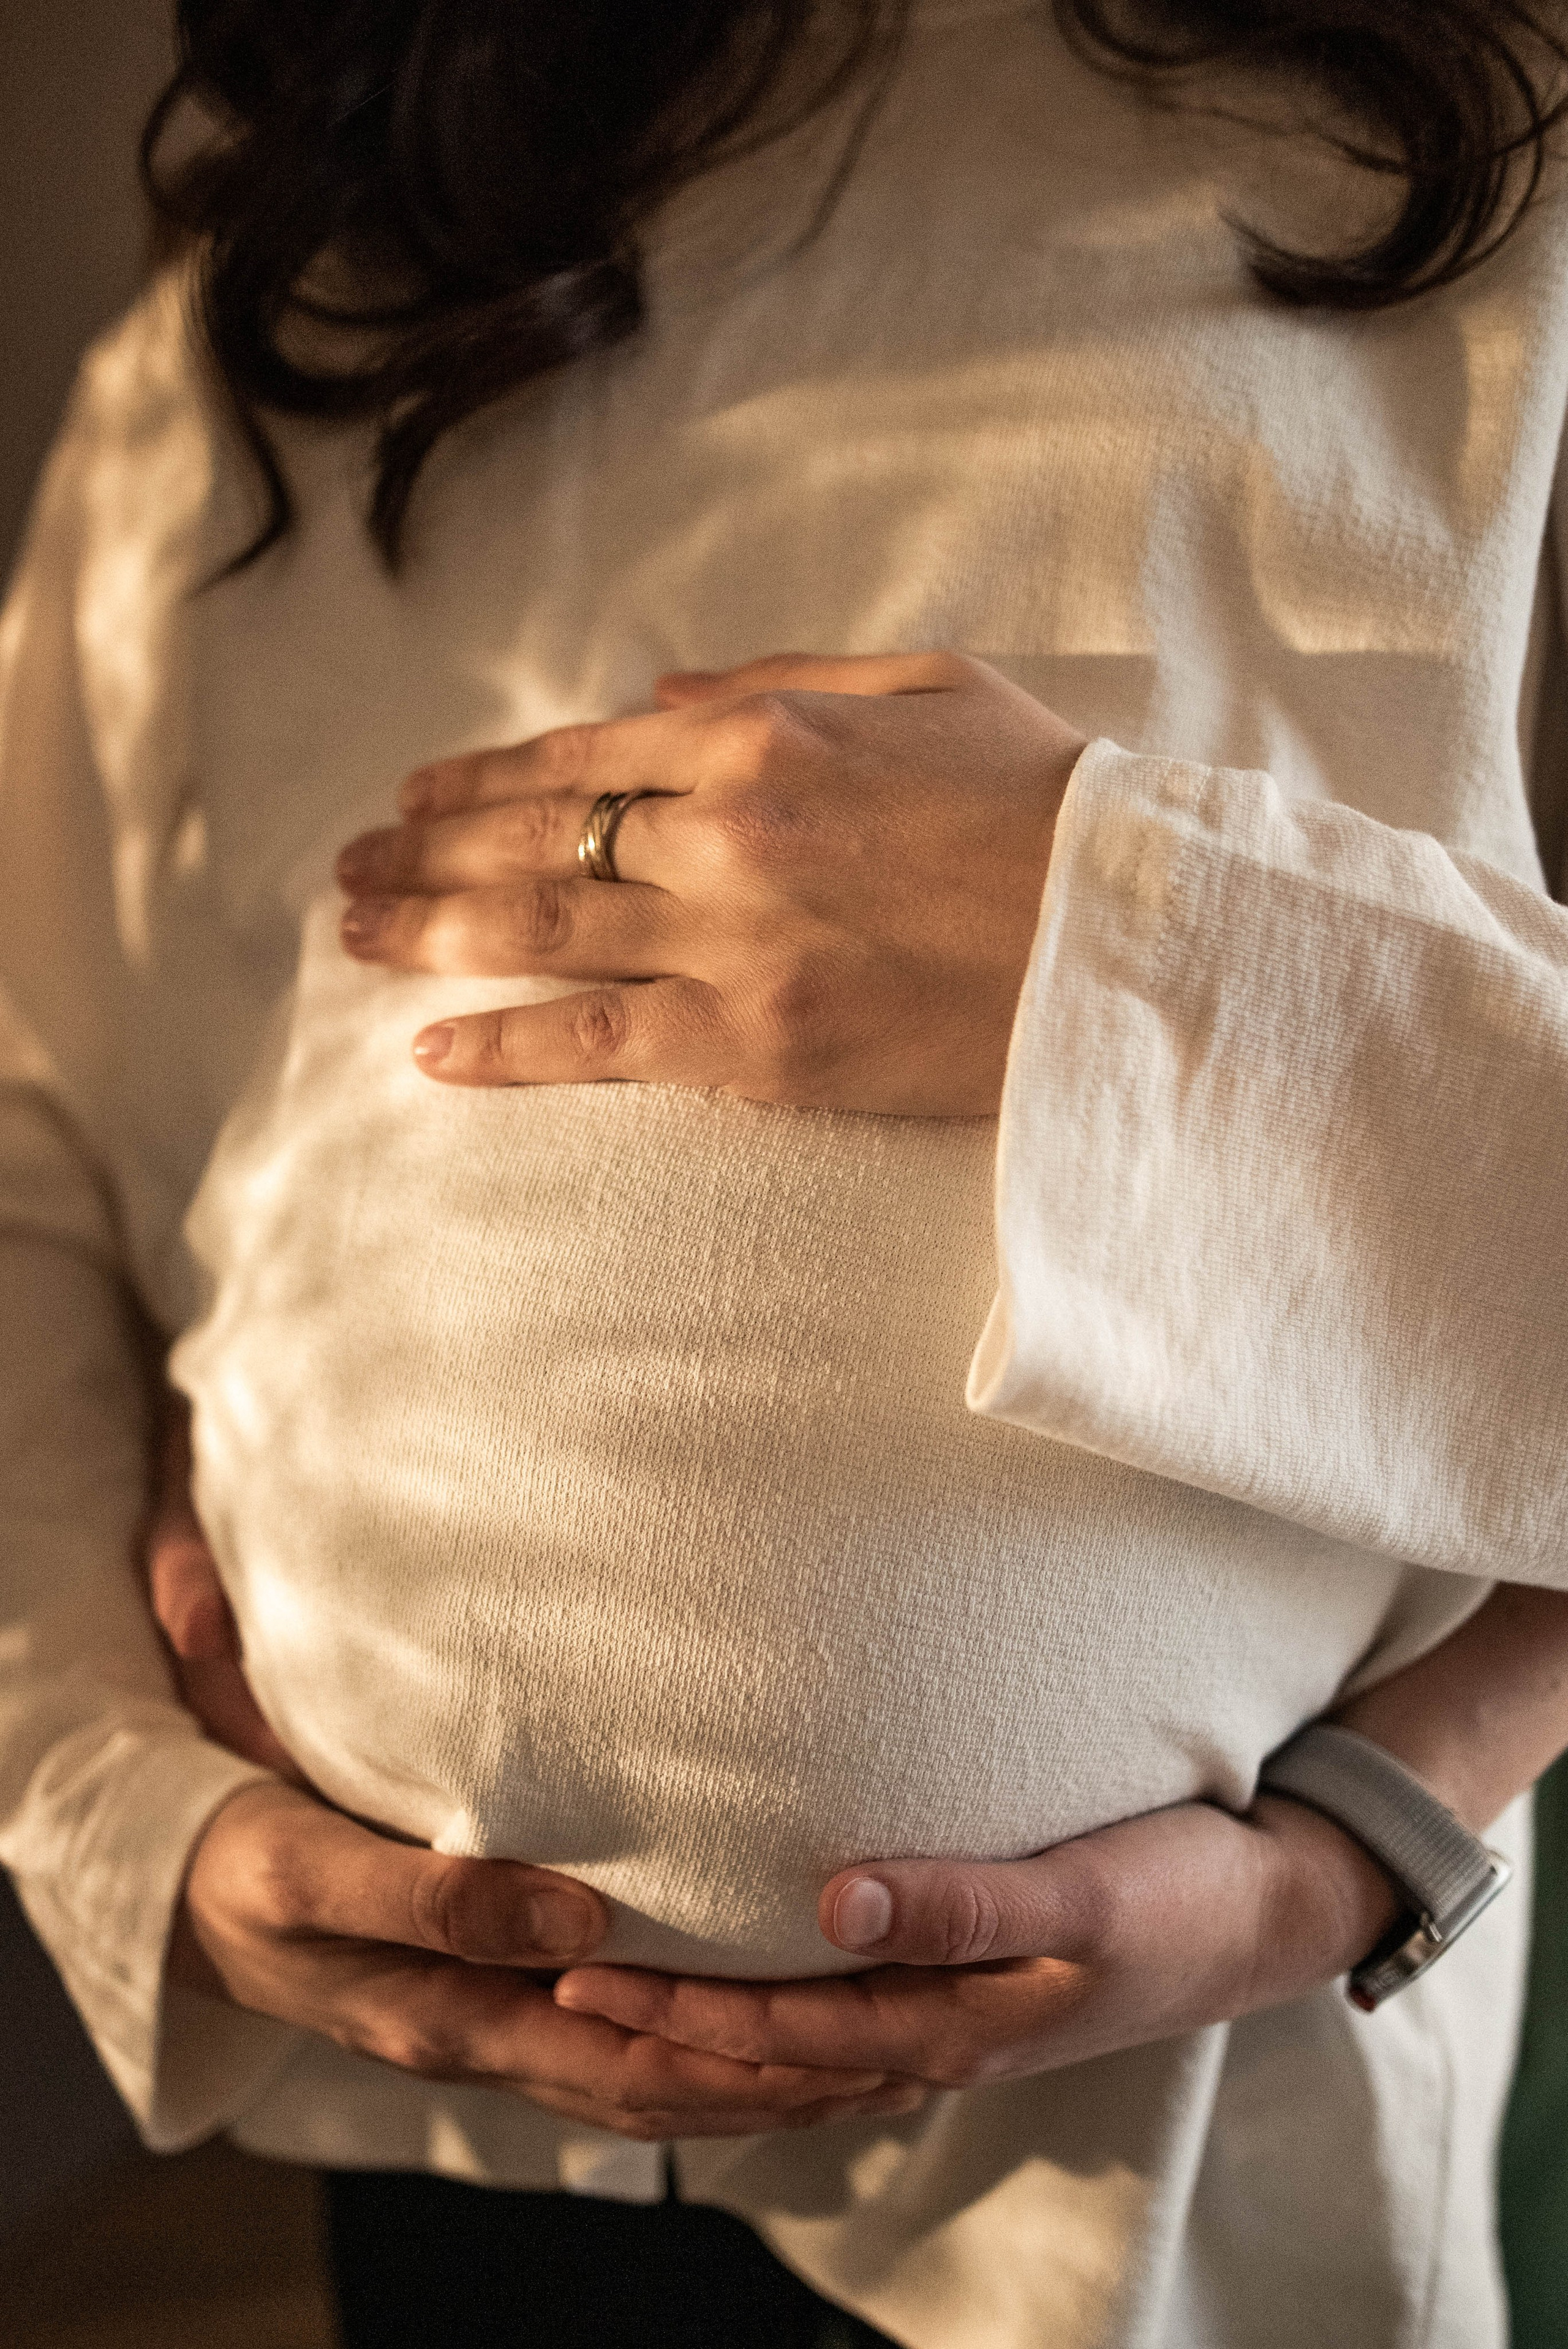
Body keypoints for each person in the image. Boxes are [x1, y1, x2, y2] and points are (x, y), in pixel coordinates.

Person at [2, 3, 1568, 2345]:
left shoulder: (1516, 148)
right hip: (424, 2107)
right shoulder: (293, 265)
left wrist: (1121, 949)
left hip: (1177, 2156)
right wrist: (115, 1796)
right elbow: (29, 1128)